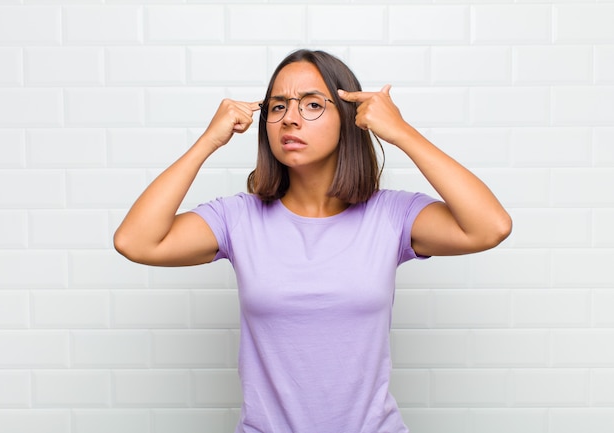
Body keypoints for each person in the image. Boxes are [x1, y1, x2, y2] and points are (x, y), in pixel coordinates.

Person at [114, 49, 512, 433]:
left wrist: (401, 133)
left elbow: (490, 226)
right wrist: (207, 142)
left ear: (350, 119)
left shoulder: (391, 215)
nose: (290, 119)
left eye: (312, 104)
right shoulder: (237, 218)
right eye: (278, 106)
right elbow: (136, 241)